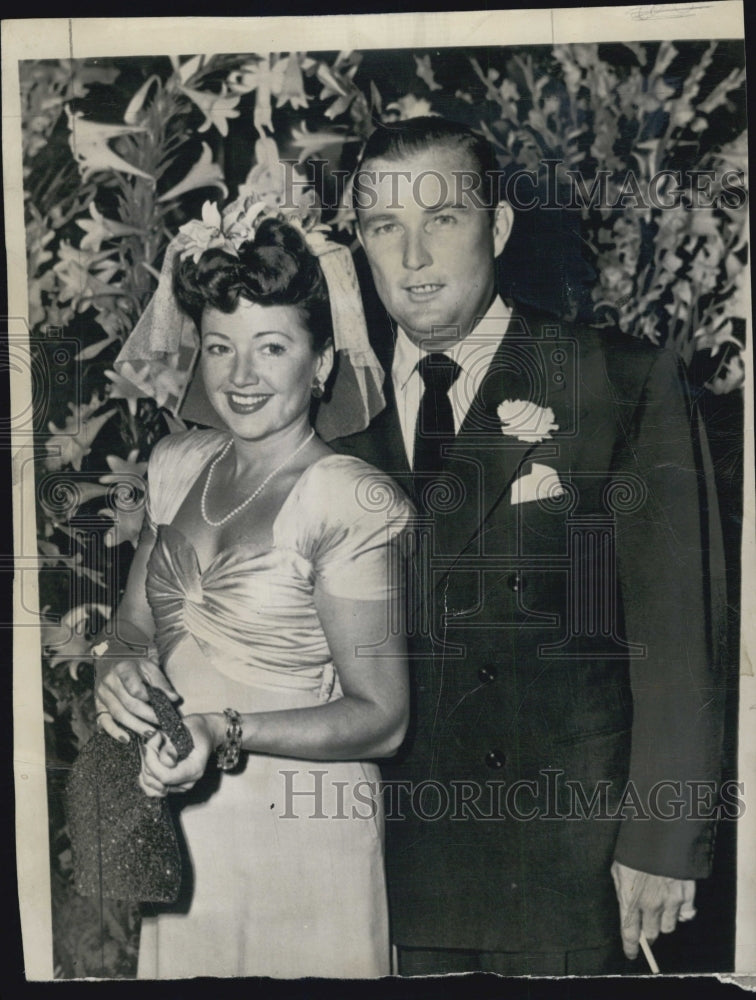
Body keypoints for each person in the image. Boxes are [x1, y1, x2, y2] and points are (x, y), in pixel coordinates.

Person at [332, 117, 727, 976]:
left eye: (442, 219)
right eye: (383, 228)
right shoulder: (329, 413)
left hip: (568, 863)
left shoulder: (614, 378)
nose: (413, 259)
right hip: (380, 865)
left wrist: (663, 839)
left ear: (499, 227)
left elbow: (681, 631)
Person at [93, 204, 414, 979]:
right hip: (184, 823)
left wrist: (218, 731)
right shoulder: (174, 466)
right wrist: (114, 665)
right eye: (219, 348)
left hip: (303, 834)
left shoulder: (344, 496)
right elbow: (133, 628)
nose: (241, 377)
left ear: (322, 362)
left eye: (271, 348)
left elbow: (382, 720)